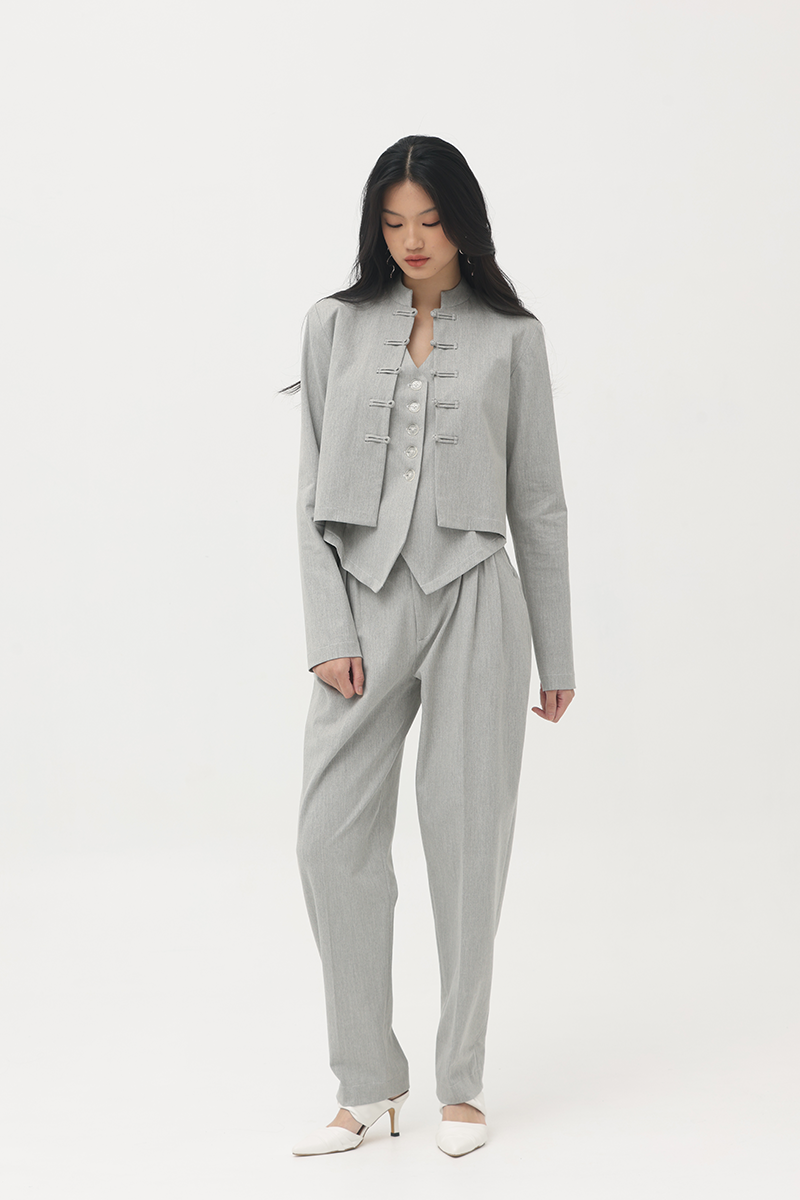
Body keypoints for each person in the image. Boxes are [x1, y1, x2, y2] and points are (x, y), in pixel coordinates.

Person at [282, 135, 576, 1158]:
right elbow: (308, 492)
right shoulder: (331, 325)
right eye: (394, 222)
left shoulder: (513, 337)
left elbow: (539, 501)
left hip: (477, 598)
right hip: (363, 605)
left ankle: (461, 1085)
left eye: (431, 221)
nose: (411, 240)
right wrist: (327, 632)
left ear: (464, 224)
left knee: (466, 842)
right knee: (328, 840)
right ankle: (366, 1085)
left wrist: (556, 655)